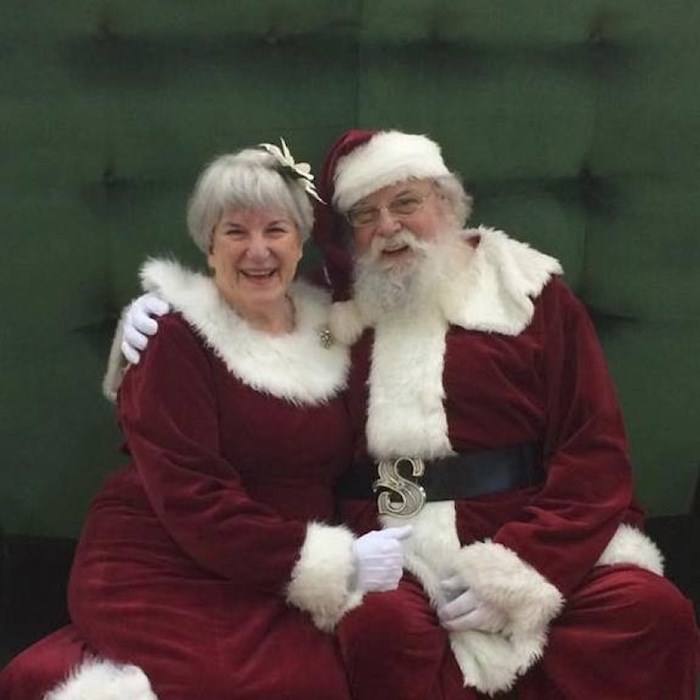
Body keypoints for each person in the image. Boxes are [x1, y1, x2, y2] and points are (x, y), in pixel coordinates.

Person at [119, 129, 699, 699]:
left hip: (535, 528)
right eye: (366, 215)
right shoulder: (328, 305)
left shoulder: (525, 288)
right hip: (391, 539)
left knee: (649, 612)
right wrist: (169, 308)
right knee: (380, 628)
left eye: (405, 203)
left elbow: (594, 449)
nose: (388, 227)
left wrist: (524, 564)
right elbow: (245, 317)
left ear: (447, 204)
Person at [0, 142, 412, 700]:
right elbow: (192, 499)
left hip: (270, 571)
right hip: (160, 563)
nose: (258, 251)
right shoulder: (174, 335)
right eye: (235, 232)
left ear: (300, 239)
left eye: (276, 230)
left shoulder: (325, 326)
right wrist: (336, 562)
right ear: (209, 245)